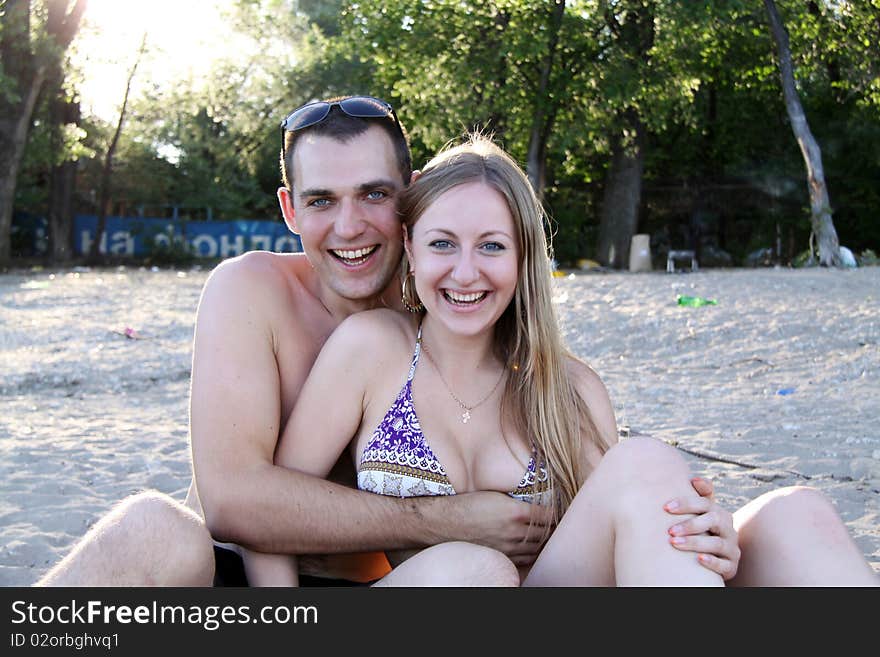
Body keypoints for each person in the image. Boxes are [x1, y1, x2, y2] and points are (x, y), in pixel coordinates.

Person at [31, 96, 860, 587]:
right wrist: (444, 519)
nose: (348, 226)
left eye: (374, 196)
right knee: (150, 525)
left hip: (462, 589)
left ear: (405, 208)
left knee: (792, 513)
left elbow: (605, 508)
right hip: (338, 585)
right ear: (290, 208)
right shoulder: (274, 301)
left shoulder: (493, 335)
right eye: (321, 200)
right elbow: (240, 506)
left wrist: (696, 522)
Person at [245, 133, 879, 586]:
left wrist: (703, 535)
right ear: (410, 248)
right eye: (443, 244)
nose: (465, 273)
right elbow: (273, 520)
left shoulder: (565, 387)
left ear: (523, 261)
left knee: (796, 511)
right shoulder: (373, 350)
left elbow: (630, 525)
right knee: (477, 570)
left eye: (491, 246)